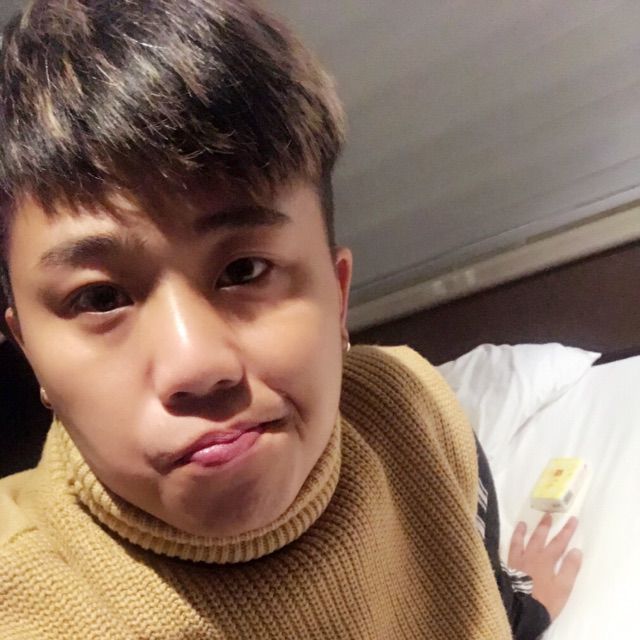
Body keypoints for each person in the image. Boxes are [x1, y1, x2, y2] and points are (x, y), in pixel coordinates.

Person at [0, 1, 581, 638]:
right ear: (29, 352)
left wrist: (524, 609)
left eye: (244, 271)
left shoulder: (415, 412)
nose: (197, 365)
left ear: (338, 296)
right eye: (99, 299)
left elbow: (474, 597)